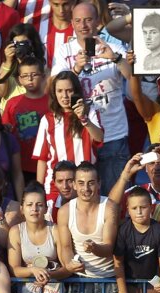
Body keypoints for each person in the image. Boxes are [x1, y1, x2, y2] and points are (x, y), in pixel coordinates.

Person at [50, 3, 130, 189]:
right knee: (83, 199)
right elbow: (54, 88)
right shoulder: (64, 51)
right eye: (78, 21)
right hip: (80, 137)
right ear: (72, 23)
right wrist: (75, 69)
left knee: (114, 198)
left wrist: (115, 58)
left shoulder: (114, 46)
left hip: (113, 134)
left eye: (88, 20)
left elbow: (133, 78)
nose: (83, 25)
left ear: (97, 21)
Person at [56, 161, 121, 293]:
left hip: (108, 282)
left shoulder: (109, 206)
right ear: (74, 185)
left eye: (91, 183)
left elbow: (109, 247)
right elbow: (65, 247)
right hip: (80, 281)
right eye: (81, 183)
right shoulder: (65, 211)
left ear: (99, 183)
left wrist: (95, 248)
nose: (86, 188)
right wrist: (68, 264)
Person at [32, 70, 102, 199]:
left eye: (69, 90)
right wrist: (39, 190)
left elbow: (99, 138)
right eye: (59, 91)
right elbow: (42, 158)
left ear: (76, 91)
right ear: (54, 93)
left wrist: (83, 119)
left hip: (84, 185)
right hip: (55, 188)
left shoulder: (90, 112)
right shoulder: (47, 119)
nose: (64, 96)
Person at [0, 56, 49, 183]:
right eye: (25, 75)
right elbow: (6, 129)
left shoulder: (51, 102)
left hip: (46, 163)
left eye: (34, 74)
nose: (30, 79)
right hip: (21, 164)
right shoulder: (13, 103)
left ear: (43, 76)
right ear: (19, 79)